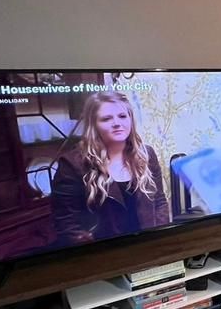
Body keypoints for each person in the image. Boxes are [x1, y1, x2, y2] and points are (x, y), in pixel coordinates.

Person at [52, 91, 170, 245]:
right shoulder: (72, 164)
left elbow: (159, 201)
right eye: (106, 119)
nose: (117, 123)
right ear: (94, 125)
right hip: (103, 252)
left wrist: (159, 240)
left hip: (148, 246)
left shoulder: (146, 154)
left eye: (122, 116)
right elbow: (67, 224)